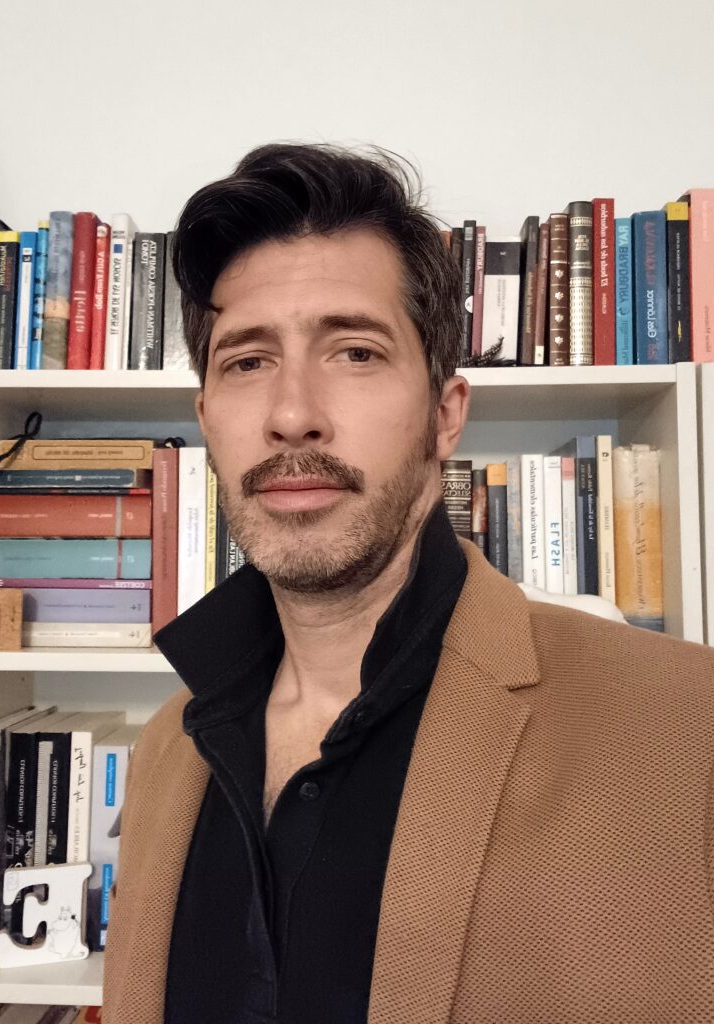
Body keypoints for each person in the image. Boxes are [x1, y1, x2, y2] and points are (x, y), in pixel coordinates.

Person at [103, 144, 714, 1024]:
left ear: (446, 412)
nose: (290, 413)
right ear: (206, 418)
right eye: (246, 361)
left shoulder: (687, 730)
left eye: (354, 351)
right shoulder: (171, 749)